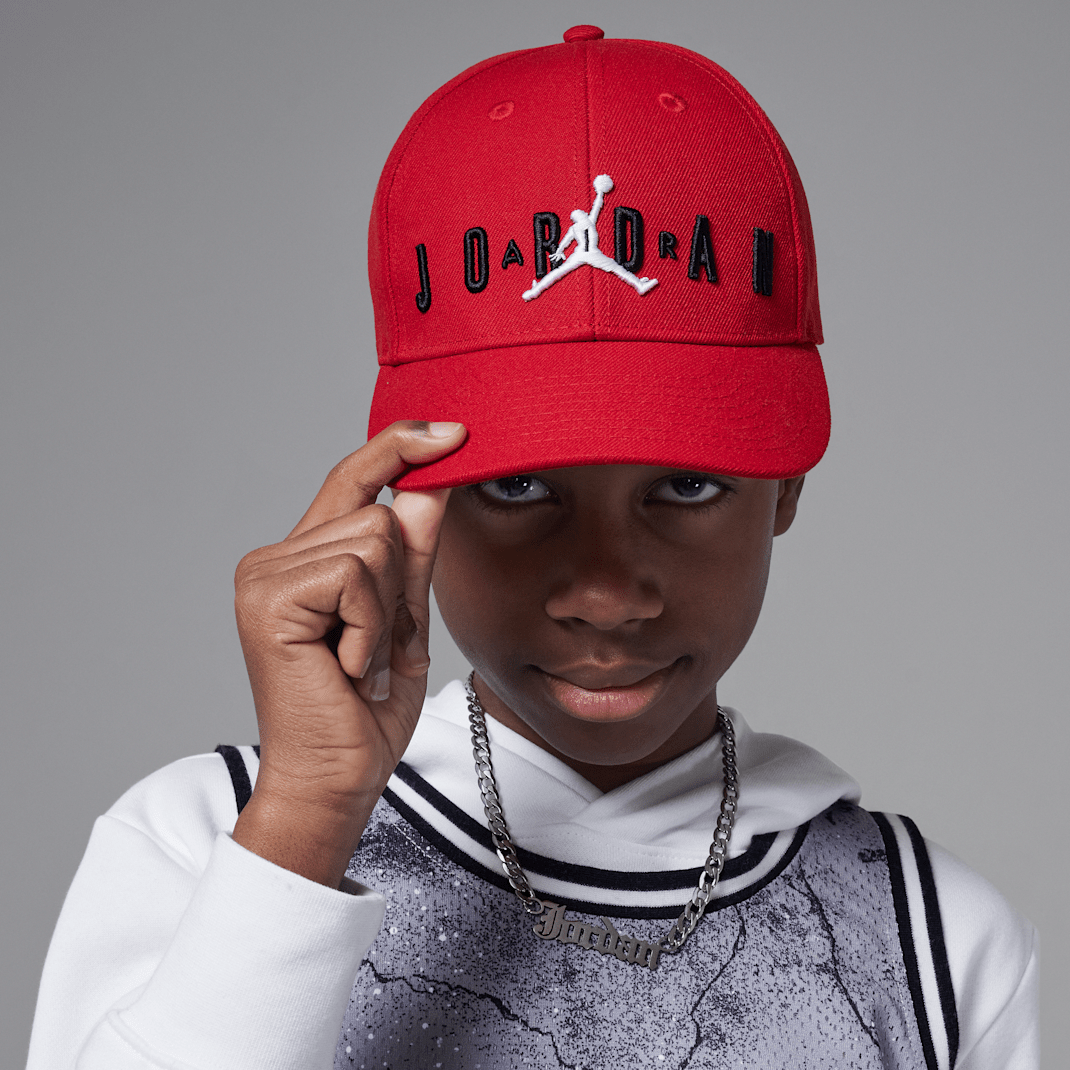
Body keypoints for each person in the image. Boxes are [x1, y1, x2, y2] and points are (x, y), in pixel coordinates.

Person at [26, 25, 1037, 1070]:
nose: (604, 593)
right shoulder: (214, 841)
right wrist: (308, 819)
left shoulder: (933, 934)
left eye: (687, 485)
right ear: (401, 497)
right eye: (517, 487)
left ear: (784, 485)